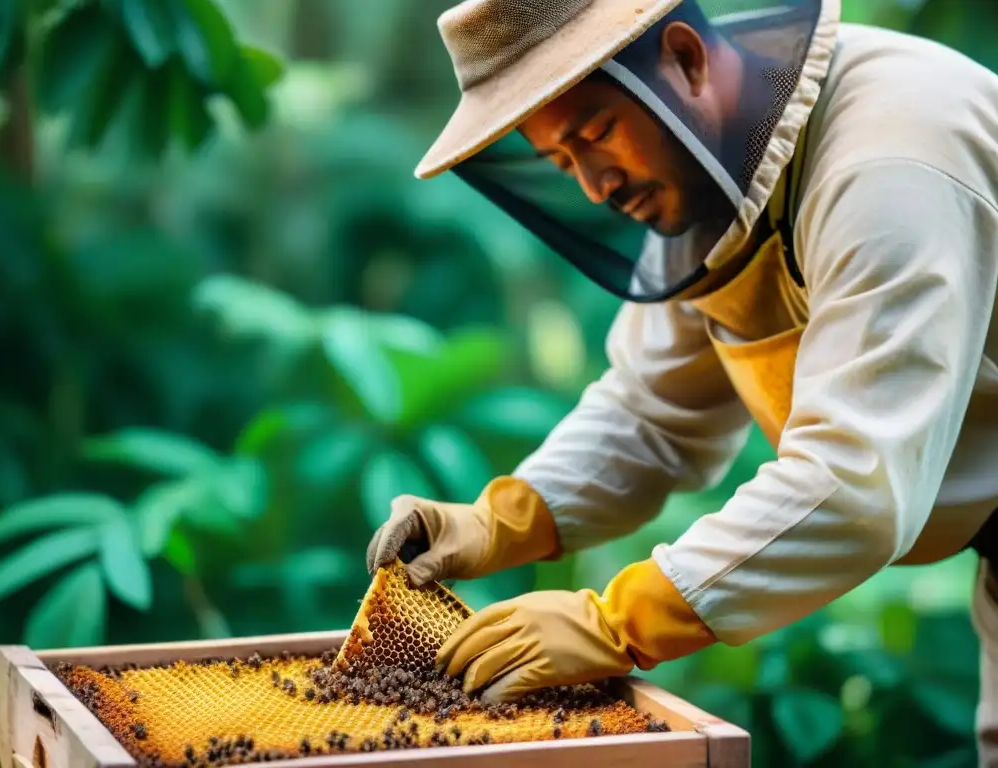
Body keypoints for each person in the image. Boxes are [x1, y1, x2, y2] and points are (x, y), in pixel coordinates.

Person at [365, 0, 998, 761]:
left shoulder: (890, 163)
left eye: (595, 133)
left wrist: (618, 621)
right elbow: (654, 413)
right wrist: (499, 522)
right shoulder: (713, 169)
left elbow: (856, 486)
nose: (595, 186)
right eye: (563, 161)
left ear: (685, 59)